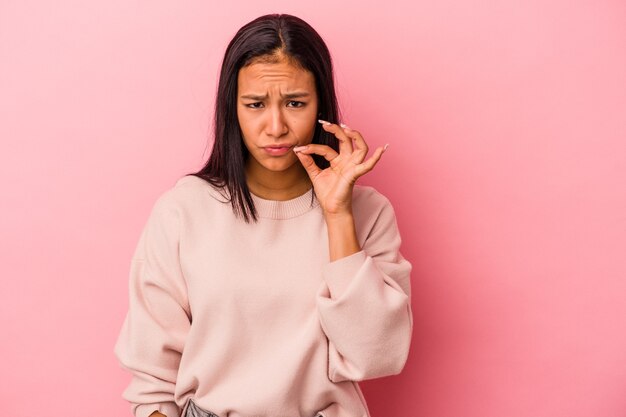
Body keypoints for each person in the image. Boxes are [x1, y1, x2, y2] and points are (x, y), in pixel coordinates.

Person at [114, 13, 413, 417]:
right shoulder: (184, 211)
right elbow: (152, 382)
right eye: (255, 104)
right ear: (232, 108)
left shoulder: (368, 212)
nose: (276, 127)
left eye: (295, 103)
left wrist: (338, 214)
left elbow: (376, 355)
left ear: (321, 104)